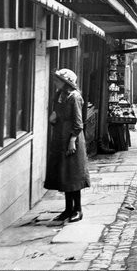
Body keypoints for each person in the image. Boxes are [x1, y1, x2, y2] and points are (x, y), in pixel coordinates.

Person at [45, 69, 90, 223]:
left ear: (66, 83)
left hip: (72, 138)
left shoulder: (74, 97)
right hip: (60, 136)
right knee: (64, 173)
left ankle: (78, 209)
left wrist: (72, 140)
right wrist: (54, 117)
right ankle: (67, 209)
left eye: (58, 80)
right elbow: (57, 113)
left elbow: (78, 122)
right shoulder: (59, 96)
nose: (55, 82)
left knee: (73, 173)